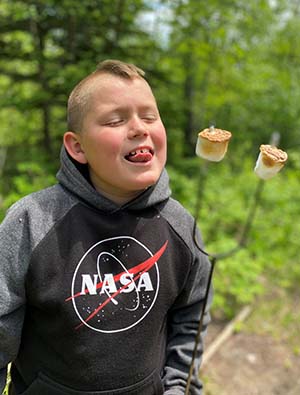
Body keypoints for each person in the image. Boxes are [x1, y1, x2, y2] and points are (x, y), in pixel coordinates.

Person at [0, 59, 212, 395]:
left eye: (150, 116)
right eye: (115, 120)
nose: (140, 128)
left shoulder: (180, 226)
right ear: (78, 146)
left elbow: (191, 318)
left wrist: (179, 389)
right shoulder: (31, 222)